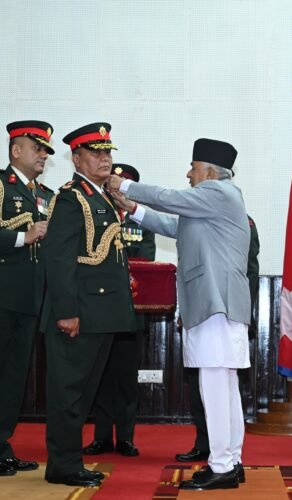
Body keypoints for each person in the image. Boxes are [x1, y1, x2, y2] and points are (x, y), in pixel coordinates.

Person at [107, 138, 251, 491]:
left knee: (214, 385)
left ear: (210, 173)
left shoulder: (219, 192)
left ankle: (221, 465)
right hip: (217, 304)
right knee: (224, 386)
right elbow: (174, 226)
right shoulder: (211, 205)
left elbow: (169, 198)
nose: (188, 174)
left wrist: (124, 184)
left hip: (215, 304)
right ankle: (231, 461)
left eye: (193, 168)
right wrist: (132, 208)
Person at [41, 122, 135, 488]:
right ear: (77, 159)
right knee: (69, 393)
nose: (104, 159)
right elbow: (59, 259)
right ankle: (63, 465)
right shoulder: (71, 198)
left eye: (107, 152)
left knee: (82, 393)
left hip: (102, 313)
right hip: (80, 313)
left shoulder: (101, 196)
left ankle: (68, 462)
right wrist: (66, 312)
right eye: (95, 153)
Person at [0, 121, 55, 476]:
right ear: (16, 151)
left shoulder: (46, 195)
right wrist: (23, 236)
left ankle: (1, 445)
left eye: (46, 150)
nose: (43, 155)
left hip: (28, 299)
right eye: (37, 149)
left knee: (13, 380)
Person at [83, 163, 156, 458]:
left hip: (131, 313)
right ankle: (101, 437)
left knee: (126, 379)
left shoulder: (141, 221)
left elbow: (145, 261)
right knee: (100, 376)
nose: (116, 189)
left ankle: (125, 437)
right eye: (113, 183)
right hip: (100, 310)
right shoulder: (95, 215)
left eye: (123, 184)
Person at [174, 214, 259, 464]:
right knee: (203, 387)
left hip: (224, 314)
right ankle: (212, 448)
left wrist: (242, 312)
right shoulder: (199, 218)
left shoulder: (239, 221)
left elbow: (249, 272)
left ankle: (222, 460)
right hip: (202, 313)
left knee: (219, 388)